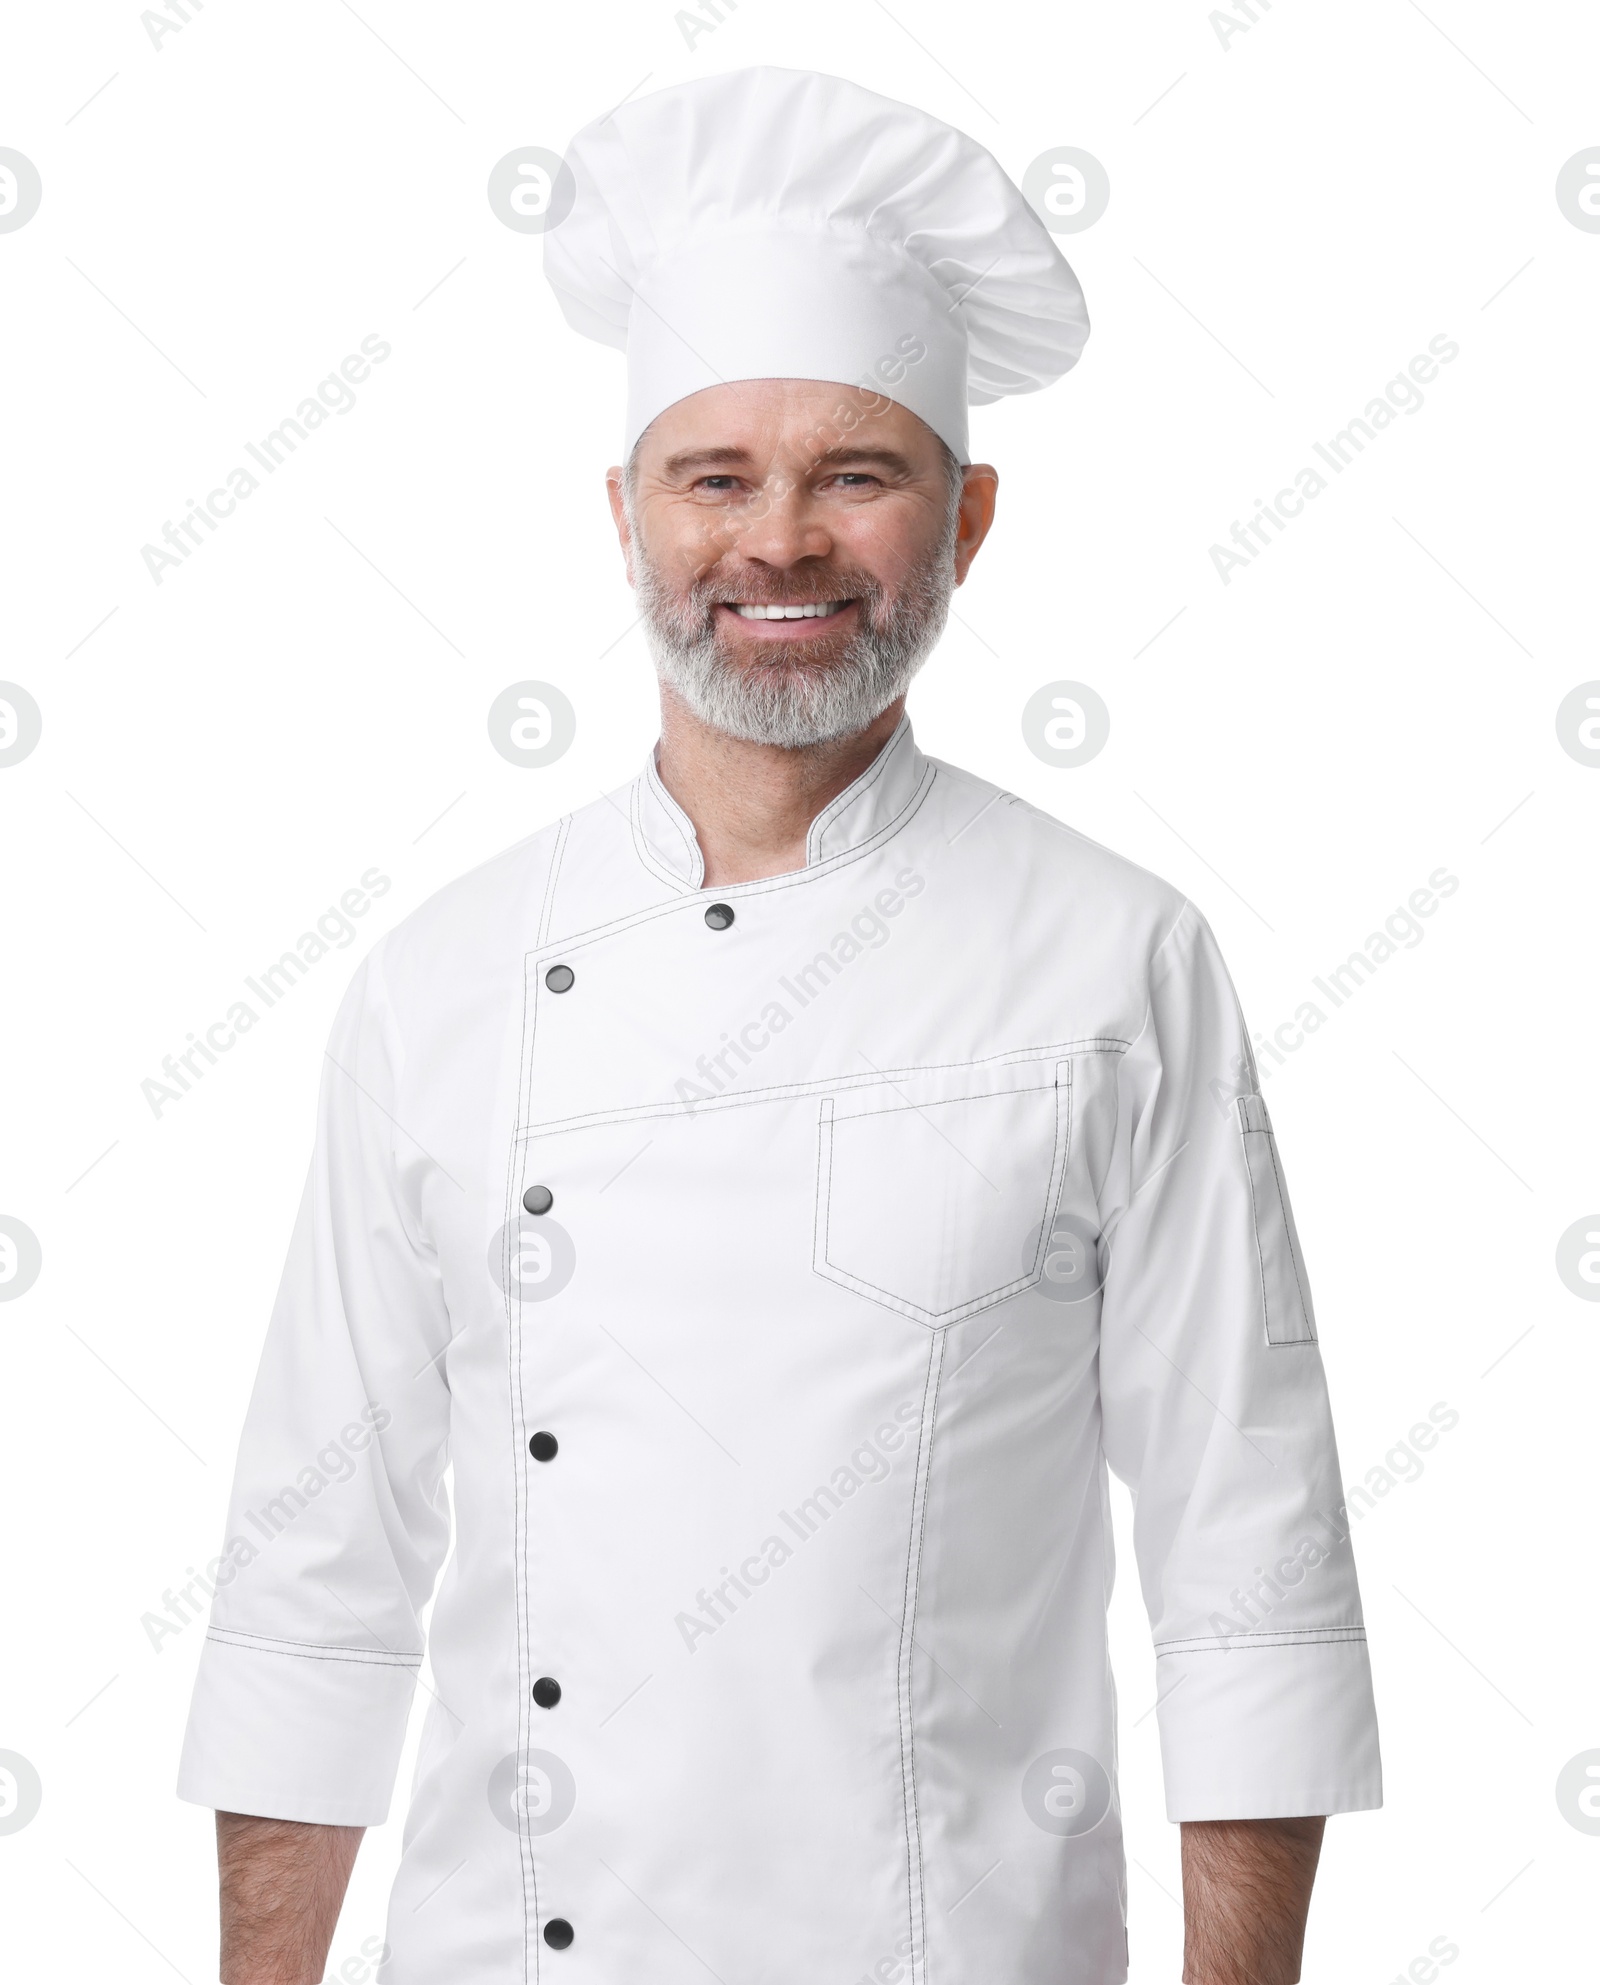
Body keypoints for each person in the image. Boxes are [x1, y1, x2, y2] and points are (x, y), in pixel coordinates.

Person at [179, 66, 1379, 1985]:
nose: (782, 544)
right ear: (625, 513)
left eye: (858, 473)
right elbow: (316, 1580)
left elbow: (1251, 1566)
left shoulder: (1114, 959)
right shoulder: (438, 981)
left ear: (969, 518)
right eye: (716, 476)